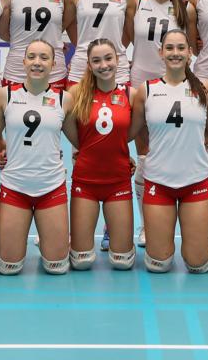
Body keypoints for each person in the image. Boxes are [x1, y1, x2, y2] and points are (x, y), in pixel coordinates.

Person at [128, 29, 208, 273]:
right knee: (158, 264)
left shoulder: (203, 90)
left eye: (180, 48)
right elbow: (132, 132)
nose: (175, 53)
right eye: (169, 48)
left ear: (190, 53)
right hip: (158, 182)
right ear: (160, 52)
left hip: (195, 181)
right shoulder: (146, 89)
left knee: (198, 265)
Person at [0, 40, 74, 275]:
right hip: (15, 186)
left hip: (51, 186)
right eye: (32, 57)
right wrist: (6, 150)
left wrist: (118, 155)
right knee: (9, 267)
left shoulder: (64, 99)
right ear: (23, 61)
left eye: (44, 58)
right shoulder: (4, 96)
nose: (37, 62)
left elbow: (80, 142)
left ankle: (47, 238)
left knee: (57, 267)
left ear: (54, 64)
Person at [129, 0, 187, 248]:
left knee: (176, 153)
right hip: (141, 85)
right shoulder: (136, 2)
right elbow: (127, 38)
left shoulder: (184, 9)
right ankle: (146, 225)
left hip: (175, 88)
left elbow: (192, 45)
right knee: (145, 157)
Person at [62, 39, 135, 271]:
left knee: (122, 262)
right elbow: (70, 132)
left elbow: (133, 131)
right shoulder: (75, 94)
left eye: (108, 58)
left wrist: (116, 147)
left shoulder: (131, 94)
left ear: (118, 60)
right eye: (96, 61)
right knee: (81, 261)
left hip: (118, 181)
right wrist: (90, 147)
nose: (104, 65)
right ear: (89, 65)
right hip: (86, 182)